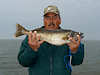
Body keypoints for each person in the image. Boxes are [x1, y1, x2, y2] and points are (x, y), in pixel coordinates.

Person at [17, 5, 84, 75]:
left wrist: (75, 51)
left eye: (54, 17)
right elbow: (23, 62)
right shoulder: (32, 37)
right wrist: (32, 49)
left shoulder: (74, 41)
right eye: (47, 17)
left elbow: (78, 62)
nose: (51, 21)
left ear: (60, 20)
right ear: (44, 20)